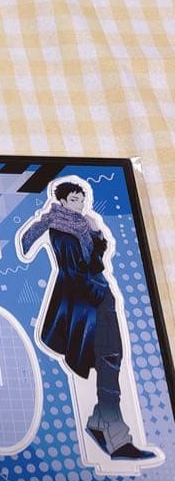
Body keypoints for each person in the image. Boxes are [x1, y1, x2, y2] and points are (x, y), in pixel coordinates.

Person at [19, 180, 155, 460]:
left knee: (110, 359)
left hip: (97, 298)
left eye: (81, 199)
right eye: (74, 199)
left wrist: (95, 232)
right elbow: (79, 270)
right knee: (109, 358)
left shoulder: (80, 224)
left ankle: (102, 422)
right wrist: (99, 293)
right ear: (62, 201)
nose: (80, 204)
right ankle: (114, 435)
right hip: (88, 302)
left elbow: (96, 259)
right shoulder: (61, 227)